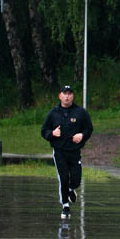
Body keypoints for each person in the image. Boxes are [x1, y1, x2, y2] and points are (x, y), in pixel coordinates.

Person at [40, 85, 93, 220]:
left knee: (76, 179)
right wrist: (52, 133)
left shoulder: (80, 112)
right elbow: (44, 130)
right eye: (64, 93)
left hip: (74, 151)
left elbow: (89, 128)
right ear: (60, 96)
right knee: (63, 178)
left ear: (73, 96)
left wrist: (82, 135)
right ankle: (65, 206)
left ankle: (70, 189)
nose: (67, 96)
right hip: (59, 151)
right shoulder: (53, 113)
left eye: (69, 94)